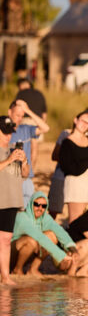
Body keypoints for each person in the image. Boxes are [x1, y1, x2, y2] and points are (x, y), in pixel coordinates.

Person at [12, 191, 78, 276]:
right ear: (31, 204)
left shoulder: (44, 218)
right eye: (37, 204)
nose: (40, 208)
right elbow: (39, 237)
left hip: (27, 252)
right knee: (31, 240)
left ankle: (33, 270)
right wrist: (61, 256)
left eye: (44, 206)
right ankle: (17, 270)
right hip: (10, 254)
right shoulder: (22, 217)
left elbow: (60, 231)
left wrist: (73, 250)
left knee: (51, 235)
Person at [0, 115, 29, 285]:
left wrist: (23, 161)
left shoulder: (14, 149)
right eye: (4, 132)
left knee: (5, 240)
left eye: (10, 132)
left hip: (11, 200)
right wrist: (9, 159)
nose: (8, 136)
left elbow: (25, 174)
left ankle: (5, 276)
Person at [8, 99, 50, 205]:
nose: (20, 119)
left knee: (26, 213)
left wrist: (28, 111)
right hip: (8, 179)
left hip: (26, 178)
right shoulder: (3, 131)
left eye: (22, 116)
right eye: (17, 115)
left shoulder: (26, 128)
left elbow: (45, 128)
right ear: (10, 112)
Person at [48, 129, 71, 219]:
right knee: (53, 211)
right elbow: (54, 156)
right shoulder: (65, 134)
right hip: (60, 176)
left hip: (78, 179)